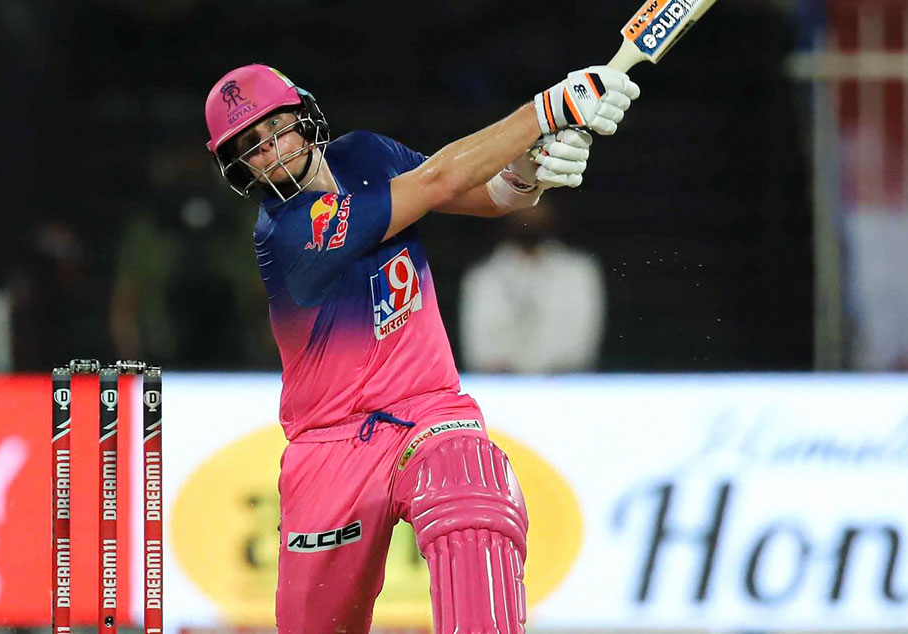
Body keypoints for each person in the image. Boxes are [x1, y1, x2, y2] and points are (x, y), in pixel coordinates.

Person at [203, 62, 639, 633]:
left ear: (303, 117)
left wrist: (529, 174)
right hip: (330, 445)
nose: (269, 148)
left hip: (427, 409)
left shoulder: (366, 154)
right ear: (238, 166)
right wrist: (547, 111)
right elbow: (437, 181)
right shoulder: (284, 232)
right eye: (249, 145)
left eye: (274, 127)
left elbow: (484, 194)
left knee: (473, 490)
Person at [460, 200, 606, 373]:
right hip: (502, 384)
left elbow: (582, 340)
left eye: (536, 202)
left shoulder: (578, 271)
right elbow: (479, 345)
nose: (529, 211)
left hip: (565, 382)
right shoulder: (483, 276)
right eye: (522, 202)